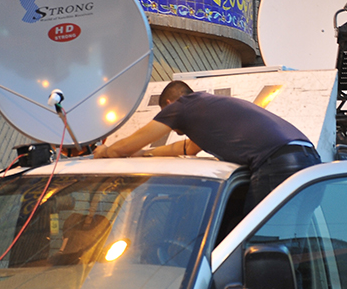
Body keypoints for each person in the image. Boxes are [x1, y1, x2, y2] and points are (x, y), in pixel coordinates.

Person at [93, 80, 321, 211]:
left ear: (169, 104)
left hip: (277, 163)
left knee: (261, 245)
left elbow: (126, 145)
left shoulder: (181, 107)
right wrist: (144, 154)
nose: (171, 126)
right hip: (308, 159)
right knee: (292, 241)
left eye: (165, 113)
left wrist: (106, 151)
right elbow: (186, 149)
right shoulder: (206, 108)